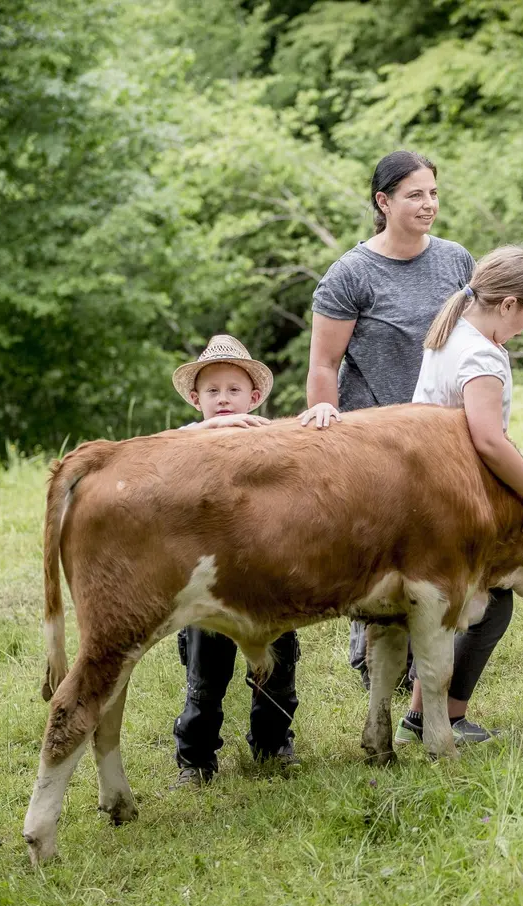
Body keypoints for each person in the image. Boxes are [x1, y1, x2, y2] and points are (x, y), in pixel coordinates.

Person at [299, 150, 474, 690]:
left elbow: (473, 340)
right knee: (379, 546)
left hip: (444, 429)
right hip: (374, 437)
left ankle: (431, 652)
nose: (428, 204)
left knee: (438, 541)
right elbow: (323, 363)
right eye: (414, 195)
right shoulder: (351, 274)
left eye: (433, 193)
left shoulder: (456, 261)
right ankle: (371, 652)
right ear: (383, 201)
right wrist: (326, 426)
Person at [393, 245, 523, 747]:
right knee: (489, 607)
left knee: (454, 605)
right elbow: (486, 439)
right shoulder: (480, 354)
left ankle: (419, 715)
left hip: (424, 487)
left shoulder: (452, 332)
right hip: (449, 497)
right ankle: (444, 717)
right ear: (507, 304)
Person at [169, 335, 301, 787]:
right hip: (207, 582)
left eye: (233, 390)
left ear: (254, 396)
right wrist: (203, 431)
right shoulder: (186, 440)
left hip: (268, 575)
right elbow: (157, 451)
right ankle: (196, 758)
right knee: (205, 675)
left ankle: (273, 744)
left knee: (277, 668)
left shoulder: (269, 436)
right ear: (196, 400)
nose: (223, 400)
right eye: (212, 391)